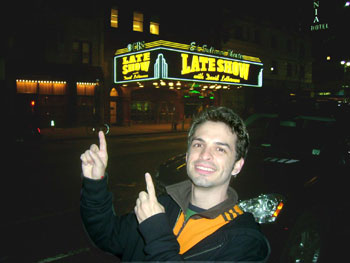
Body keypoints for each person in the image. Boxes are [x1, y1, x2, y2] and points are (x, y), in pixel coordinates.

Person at [80, 106, 270, 262]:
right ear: (187, 156)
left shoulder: (246, 242)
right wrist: (94, 183)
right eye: (198, 144)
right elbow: (107, 236)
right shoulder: (162, 205)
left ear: (237, 166)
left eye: (220, 149)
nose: (205, 155)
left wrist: (156, 233)